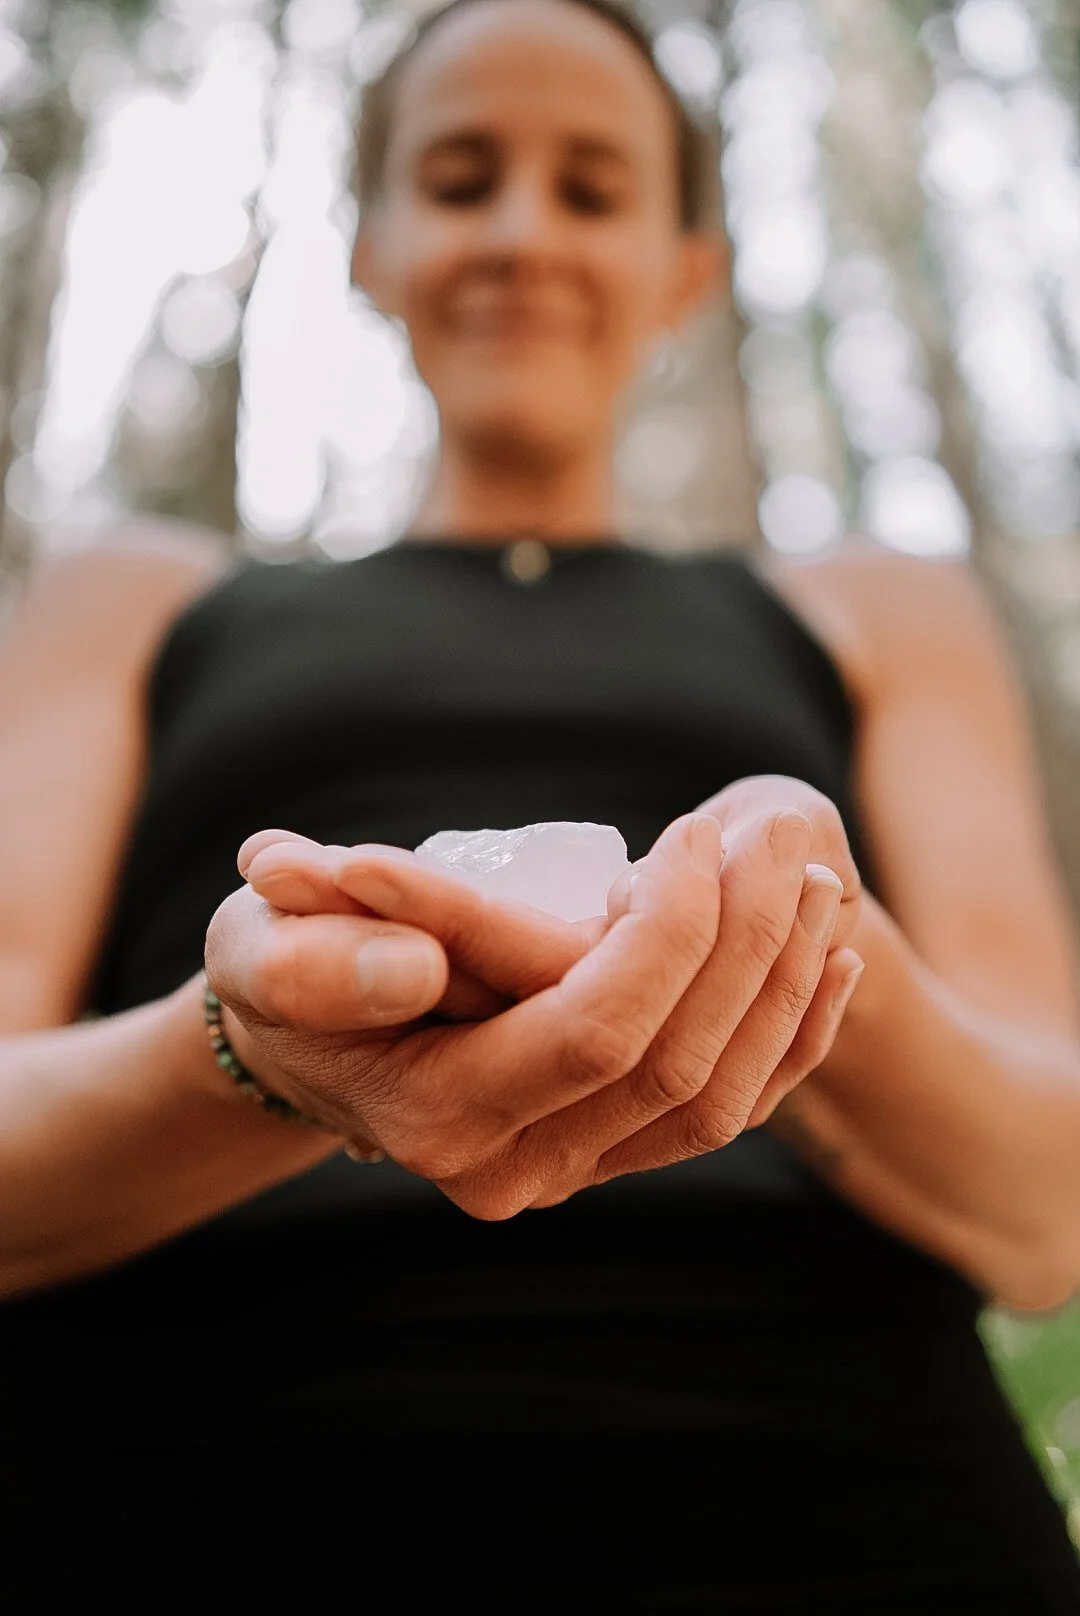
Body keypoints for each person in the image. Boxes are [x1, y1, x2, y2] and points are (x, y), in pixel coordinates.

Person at [1, 0, 1079, 1608]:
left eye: (590, 187)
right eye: (457, 176)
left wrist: (783, 960)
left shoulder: (872, 608)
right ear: (370, 246)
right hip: (183, 1491)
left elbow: (1047, 1208)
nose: (519, 231)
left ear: (684, 267)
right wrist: (258, 1058)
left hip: (836, 1489)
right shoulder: (133, 600)